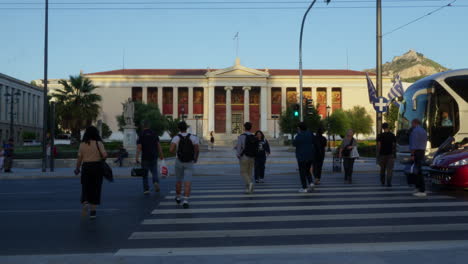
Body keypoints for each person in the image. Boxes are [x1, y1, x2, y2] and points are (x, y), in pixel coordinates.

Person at [74, 126, 107, 219]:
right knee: (96, 188)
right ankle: (93, 212)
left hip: (86, 167)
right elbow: (105, 155)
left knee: (85, 186)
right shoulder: (98, 143)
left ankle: (85, 202)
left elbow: (79, 158)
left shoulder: (82, 144)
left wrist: (77, 169)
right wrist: (100, 157)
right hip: (97, 167)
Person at [170, 121, 200, 209]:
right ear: (186, 128)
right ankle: (186, 200)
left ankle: (178, 197)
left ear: (179, 128)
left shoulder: (176, 138)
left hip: (179, 161)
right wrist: (195, 158)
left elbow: (171, 150)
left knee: (178, 180)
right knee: (187, 181)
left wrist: (177, 152)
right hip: (189, 161)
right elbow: (197, 150)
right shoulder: (193, 137)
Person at [136, 120, 164, 195]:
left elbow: (139, 147)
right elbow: (158, 145)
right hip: (154, 156)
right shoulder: (154, 133)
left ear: (143, 126)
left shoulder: (141, 134)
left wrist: (136, 157)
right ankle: (155, 182)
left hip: (145, 157)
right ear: (149, 125)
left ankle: (146, 189)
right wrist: (161, 155)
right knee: (154, 171)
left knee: (145, 174)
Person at [293, 122, 316, 193]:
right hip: (310, 156)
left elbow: (294, 144)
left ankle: (304, 187)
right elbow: (314, 141)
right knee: (307, 170)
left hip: (301, 157)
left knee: (302, 172)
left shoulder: (299, 135)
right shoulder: (310, 133)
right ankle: (311, 182)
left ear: (299, 128)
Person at [235, 122, 258, 194]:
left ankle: (250, 183)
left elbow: (239, 147)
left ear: (244, 128)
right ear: (251, 128)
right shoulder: (254, 136)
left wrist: (238, 155)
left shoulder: (241, 136)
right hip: (252, 157)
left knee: (243, 172)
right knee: (249, 173)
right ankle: (248, 189)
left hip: (244, 156)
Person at [409, 118, 428, 197]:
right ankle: (418, 187)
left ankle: (422, 190)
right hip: (422, 151)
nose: (411, 125)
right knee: (418, 170)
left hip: (416, 152)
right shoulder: (423, 131)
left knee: (418, 172)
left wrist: (412, 155)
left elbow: (414, 144)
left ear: (414, 123)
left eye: (412, 123)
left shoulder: (415, 131)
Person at [377, 123, 396, 187]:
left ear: (383, 128)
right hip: (390, 154)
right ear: (388, 127)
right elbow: (394, 144)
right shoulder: (392, 135)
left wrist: (379, 154)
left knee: (382, 168)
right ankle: (389, 182)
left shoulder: (380, 135)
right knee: (389, 169)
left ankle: (382, 181)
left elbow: (379, 145)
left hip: (382, 154)